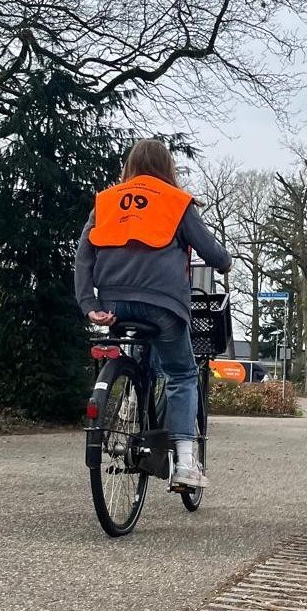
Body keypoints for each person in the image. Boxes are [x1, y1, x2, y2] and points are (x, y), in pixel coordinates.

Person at [75, 139, 232, 489]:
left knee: (139, 352)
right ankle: (186, 466)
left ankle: (127, 408)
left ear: (130, 166)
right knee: (181, 374)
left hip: (114, 303)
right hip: (163, 305)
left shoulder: (106, 202)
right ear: (167, 168)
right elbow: (212, 252)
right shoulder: (176, 202)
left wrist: (90, 306)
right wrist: (224, 263)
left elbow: (83, 257)